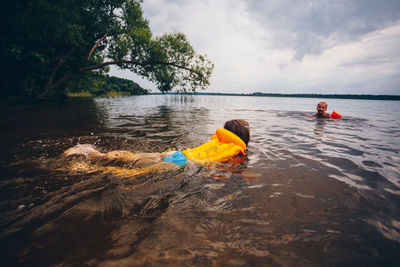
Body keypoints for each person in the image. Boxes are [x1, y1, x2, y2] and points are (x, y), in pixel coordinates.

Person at [64, 119, 250, 177]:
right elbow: (224, 169)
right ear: (243, 138)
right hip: (183, 164)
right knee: (134, 173)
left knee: (130, 156)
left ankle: (92, 153)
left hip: (176, 153)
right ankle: (86, 168)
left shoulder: (217, 141)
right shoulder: (236, 152)